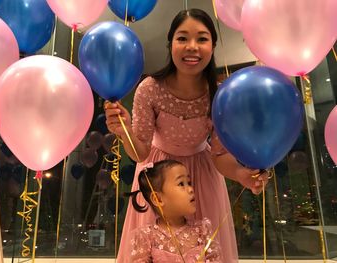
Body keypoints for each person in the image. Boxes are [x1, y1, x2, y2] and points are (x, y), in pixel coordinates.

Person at [105, 8, 268, 263]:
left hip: (202, 177)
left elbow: (220, 155)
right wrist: (123, 131)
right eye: (182, 38)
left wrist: (242, 175)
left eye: (202, 39)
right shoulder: (149, 89)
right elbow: (141, 153)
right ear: (171, 44)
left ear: (213, 46)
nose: (192, 46)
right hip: (159, 178)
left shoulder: (221, 94)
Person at [125, 159, 223, 262]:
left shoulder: (202, 231)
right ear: (158, 199)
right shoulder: (145, 237)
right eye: (181, 184)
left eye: (189, 183)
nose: (190, 189)